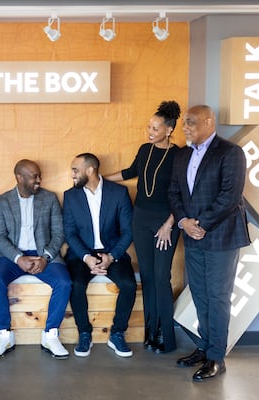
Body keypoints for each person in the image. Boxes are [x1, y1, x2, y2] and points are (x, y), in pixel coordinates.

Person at [168, 105, 250, 381]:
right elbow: (174, 192)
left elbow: (230, 195)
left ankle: (216, 357)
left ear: (209, 122)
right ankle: (203, 348)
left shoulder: (230, 152)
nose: (185, 128)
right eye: (184, 124)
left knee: (217, 298)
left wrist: (200, 224)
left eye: (190, 122)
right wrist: (184, 223)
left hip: (221, 237)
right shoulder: (182, 155)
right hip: (192, 235)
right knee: (200, 294)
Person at [105, 101, 181, 353]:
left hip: (165, 222)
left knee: (161, 277)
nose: (149, 131)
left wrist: (170, 224)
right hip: (141, 219)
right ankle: (151, 332)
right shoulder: (144, 149)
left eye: (155, 127)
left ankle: (165, 335)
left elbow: (183, 194)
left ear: (169, 129)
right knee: (147, 277)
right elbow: (129, 172)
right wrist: (100, 180)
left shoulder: (179, 155)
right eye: (149, 126)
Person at [0, 160, 72, 359]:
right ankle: (4, 335)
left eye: (39, 175)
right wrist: (18, 258)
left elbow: (59, 233)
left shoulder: (50, 199)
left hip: (44, 253)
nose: (39, 180)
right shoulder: (2, 201)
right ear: (19, 178)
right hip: (11, 255)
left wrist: (46, 257)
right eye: (34, 176)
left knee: (64, 282)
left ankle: (50, 335)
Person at [63, 153, 137, 358]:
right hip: (81, 255)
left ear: (90, 170)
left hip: (113, 252)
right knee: (76, 284)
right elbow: (70, 233)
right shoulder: (71, 196)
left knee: (129, 285)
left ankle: (117, 333)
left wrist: (111, 256)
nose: (72, 175)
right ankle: (84, 332)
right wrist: (87, 257)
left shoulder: (119, 193)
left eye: (75, 170)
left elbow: (128, 231)